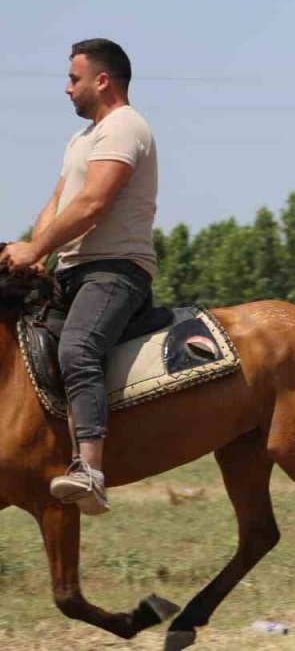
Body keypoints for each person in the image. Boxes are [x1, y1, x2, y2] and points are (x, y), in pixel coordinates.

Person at [0, 39, 158, 516]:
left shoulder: (126, 128)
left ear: (102, 80)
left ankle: (89, 470)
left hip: (114, 272)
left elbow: (93, 204)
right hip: (71, 272)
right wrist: (31, 251)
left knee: (77, 348)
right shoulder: (83, 139)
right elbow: (60, 201)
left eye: (74, 78)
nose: (67, 88)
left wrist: (39, 246)